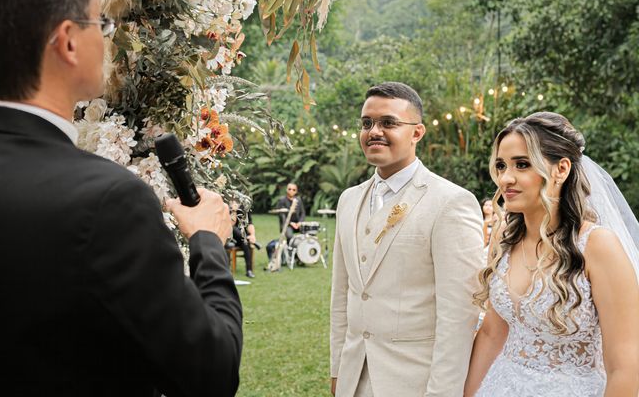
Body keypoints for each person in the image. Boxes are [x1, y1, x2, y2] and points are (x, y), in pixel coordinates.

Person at [0, 0, 242, 397]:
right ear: (68, 42)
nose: (108, 40)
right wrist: (209, 243)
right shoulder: (106, 201)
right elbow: (210, 372)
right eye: (102, 24)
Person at [464, 112, 639, 397]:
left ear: (561, 169)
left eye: (522, 164)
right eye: (500, 165)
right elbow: (491, 333)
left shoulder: (598, 247)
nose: (506, 178)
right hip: (500, 385)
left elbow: (626, 369)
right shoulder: (504, 237)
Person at [330, 82, 484, 397]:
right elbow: (342, 295)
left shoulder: (451, 202)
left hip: (414, 381)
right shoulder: (348, 199)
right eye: (367, 123)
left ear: (417, 133)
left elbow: (459, 315)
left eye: (388, 123)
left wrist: (442, 392)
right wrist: (337, 370)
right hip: (353, 376)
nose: (374, 131)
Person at [266, 182, 306, 261]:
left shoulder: (298, 200)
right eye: (290, 189)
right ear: (287, 190)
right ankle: (290, 256)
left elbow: (303, 213)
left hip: (298, 224)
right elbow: (282, 215)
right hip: (287, 225)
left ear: (296, 191)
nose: (291, 191)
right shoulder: (282, 200)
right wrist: (291, 223)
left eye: (294, 189)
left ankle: (302, 254)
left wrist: (300, 222)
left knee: (306, 235)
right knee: (290, 236)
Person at [229, 200, 257, 278]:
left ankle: (249, 270)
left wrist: (252, 235)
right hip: (230, 238)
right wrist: (234, 211)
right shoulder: (227, 208)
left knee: (245, 243)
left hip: (242, 239)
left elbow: (250, 224)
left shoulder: (244, 209)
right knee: (233, 229)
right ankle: (247, 239)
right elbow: (231, 224)